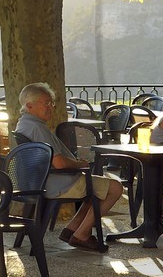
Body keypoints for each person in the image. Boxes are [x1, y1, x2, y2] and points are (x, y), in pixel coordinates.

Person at [13, 82, 124, 252]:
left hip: (38, 181)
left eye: (52, 103)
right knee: (115, 188)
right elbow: (59, 164)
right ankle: (82, 235)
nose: (51, 107)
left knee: (98, 190)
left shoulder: (24, 125)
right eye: (46, 103)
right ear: (30, 106)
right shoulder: (37, 129)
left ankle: (72, 230)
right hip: (57, 182)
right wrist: (80, 164)